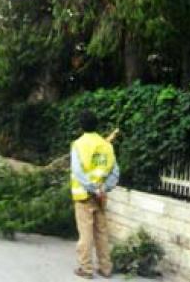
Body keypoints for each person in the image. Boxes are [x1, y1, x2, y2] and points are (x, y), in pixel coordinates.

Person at [71, 110, 120, 279]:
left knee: (85, 233)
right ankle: (106, 268)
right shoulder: (107, 145)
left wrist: (92, 188)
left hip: (84, 197)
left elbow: (77, 172)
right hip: (100, 197)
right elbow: (115, 172)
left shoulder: (78, 144)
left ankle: (86, 269)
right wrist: (103, 188)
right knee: (101, 233)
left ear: (81, 126)